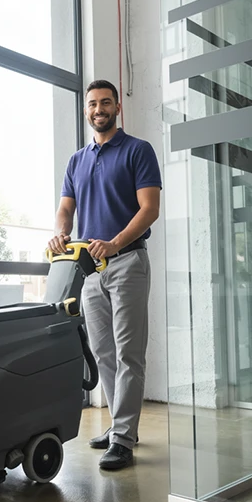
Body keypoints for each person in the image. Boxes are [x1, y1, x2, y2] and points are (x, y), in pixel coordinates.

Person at [48, 79, 161, 470]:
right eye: (93, 104)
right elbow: (66, 208)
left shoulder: (137, 150)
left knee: (129, 352)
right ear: (86, 111)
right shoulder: (77, 160)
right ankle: (119, 427)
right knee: (103, 352)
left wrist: (114, 243)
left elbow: (149, 209)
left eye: (106, 103)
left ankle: (124, 438)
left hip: (128, 261)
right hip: (91, 270)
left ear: (117, 108)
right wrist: (62, 232)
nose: (99, 109)